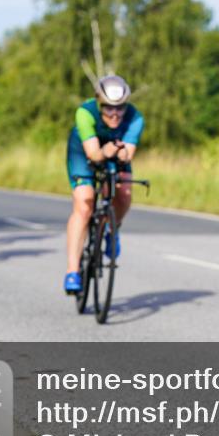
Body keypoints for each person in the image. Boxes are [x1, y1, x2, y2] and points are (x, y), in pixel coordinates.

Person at [62, 74, 144, 294]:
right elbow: (94, 154)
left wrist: (119, 152)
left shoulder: (135, 117)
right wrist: (105, 152)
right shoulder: (85, 113)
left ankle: (111, 229)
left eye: (120, 108)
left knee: (124, 192)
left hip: (114, 152)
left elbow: (128, 155)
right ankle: (72, 271)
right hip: (84, 152)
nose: (115, 114)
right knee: (84, 203)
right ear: (99, 103)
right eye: (108, 108)